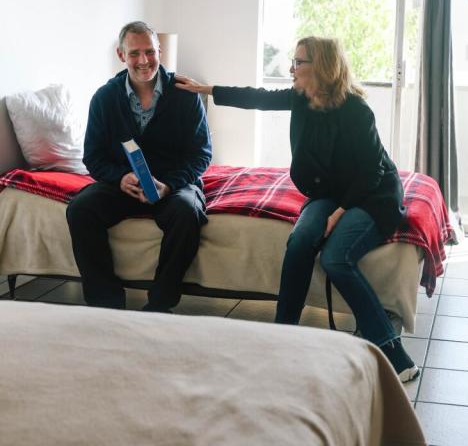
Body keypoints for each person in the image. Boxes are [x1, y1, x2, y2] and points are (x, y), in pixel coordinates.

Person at [175, 36, 419, 382]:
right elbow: (256, 97)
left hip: (371, 195)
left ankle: (392, 349)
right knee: (300, 241)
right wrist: (206, 89)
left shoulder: (355, 109)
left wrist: (340, 213)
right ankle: (282, 335)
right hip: (328, 192)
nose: (291, 68)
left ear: (321, 66)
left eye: (298, 62)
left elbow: (372, 172)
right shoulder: (301, 98)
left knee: (336, 257)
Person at [67, 21, 212, 312]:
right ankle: (105, 303)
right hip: (124, 187)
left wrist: (169, 184)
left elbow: (202, 154)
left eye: (150, 52)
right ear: (121, 55)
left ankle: (160, 304)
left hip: (172, 186)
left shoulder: (185, 94)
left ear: (160, 51)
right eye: (134, 53)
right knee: (80, 209)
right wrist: (120, 178)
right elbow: (92, 157)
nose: (143, 61)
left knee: (188, 212)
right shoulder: (104, 98)